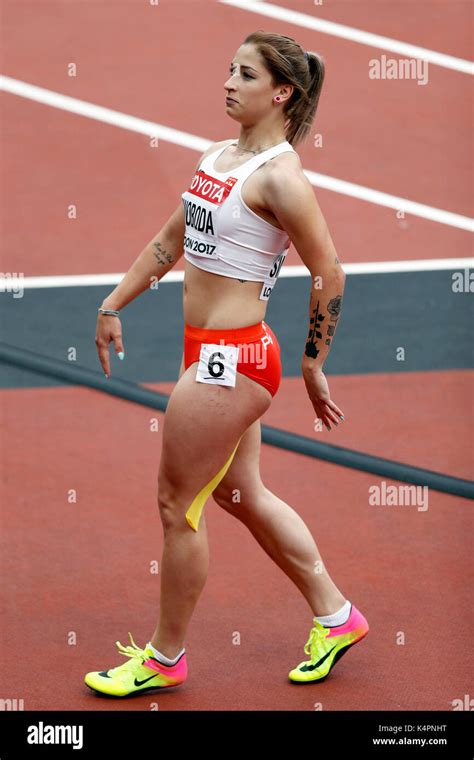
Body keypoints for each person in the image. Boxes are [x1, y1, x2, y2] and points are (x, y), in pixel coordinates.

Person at [84, 30, 368, 698]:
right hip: (206, 352)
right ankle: (337, 616)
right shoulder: (218, 156)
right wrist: (112, 302)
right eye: (229, 71)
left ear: (281, 92)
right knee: (240, 494)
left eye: (244, 74)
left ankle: (165, 657)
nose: (228, 83)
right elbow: (172, 237)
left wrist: (312, 363)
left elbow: (329, 271)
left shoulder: (279, 176)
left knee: (177, 506)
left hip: (232, 363)